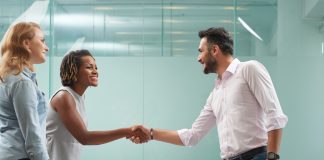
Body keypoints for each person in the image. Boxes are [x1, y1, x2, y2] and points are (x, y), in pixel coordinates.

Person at [130, 27, 288, 160]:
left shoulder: (249, 69)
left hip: (256, 156)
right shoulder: (215, 94)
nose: (198, 58)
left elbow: (274, 115)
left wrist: (272, 158)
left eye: (201, 51)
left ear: (214, 50)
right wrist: (150, 133)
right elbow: (192, 136)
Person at [46, 49, 146, 160]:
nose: (95, 71)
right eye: (89, 67)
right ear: (73, 70)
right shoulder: (64, 97)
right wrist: (129, 131)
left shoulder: (78, 96)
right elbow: (85, 138)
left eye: (96, 68)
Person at [0, 22, 49, 160]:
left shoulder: (8, 78)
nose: (47, 48)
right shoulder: (22, 83)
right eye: (42, 41)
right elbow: (32, 135)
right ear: (27, 44)